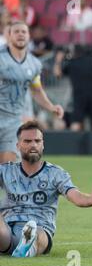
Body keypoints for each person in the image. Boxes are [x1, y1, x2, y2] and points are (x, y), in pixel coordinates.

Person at [0, 120, 92, 257]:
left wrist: (89, 199)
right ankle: (23, 247)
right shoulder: (6, 170)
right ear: (18, 145)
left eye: (37, 141)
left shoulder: (55, 174)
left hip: (40, 227)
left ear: (42, 145)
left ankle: (28, 247)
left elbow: (74, 195)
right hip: (7, 231)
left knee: (38, 233)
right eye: (27, 141)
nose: (33, 145)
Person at [0, 21, 64, 164]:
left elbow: (36, 90)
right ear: (9, 36)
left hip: (13, 121)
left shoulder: (34, 64)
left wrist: (51, 107)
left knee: (8, 166)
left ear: (29, 36)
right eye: (16, 32)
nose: (20, 35)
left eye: (24, 32)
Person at [54, 45, 92, 131]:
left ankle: (72, 144)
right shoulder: (91, 60)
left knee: (76, 122)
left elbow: (58, 74)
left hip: (79, 96)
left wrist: (58, 60)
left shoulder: (72, 63)